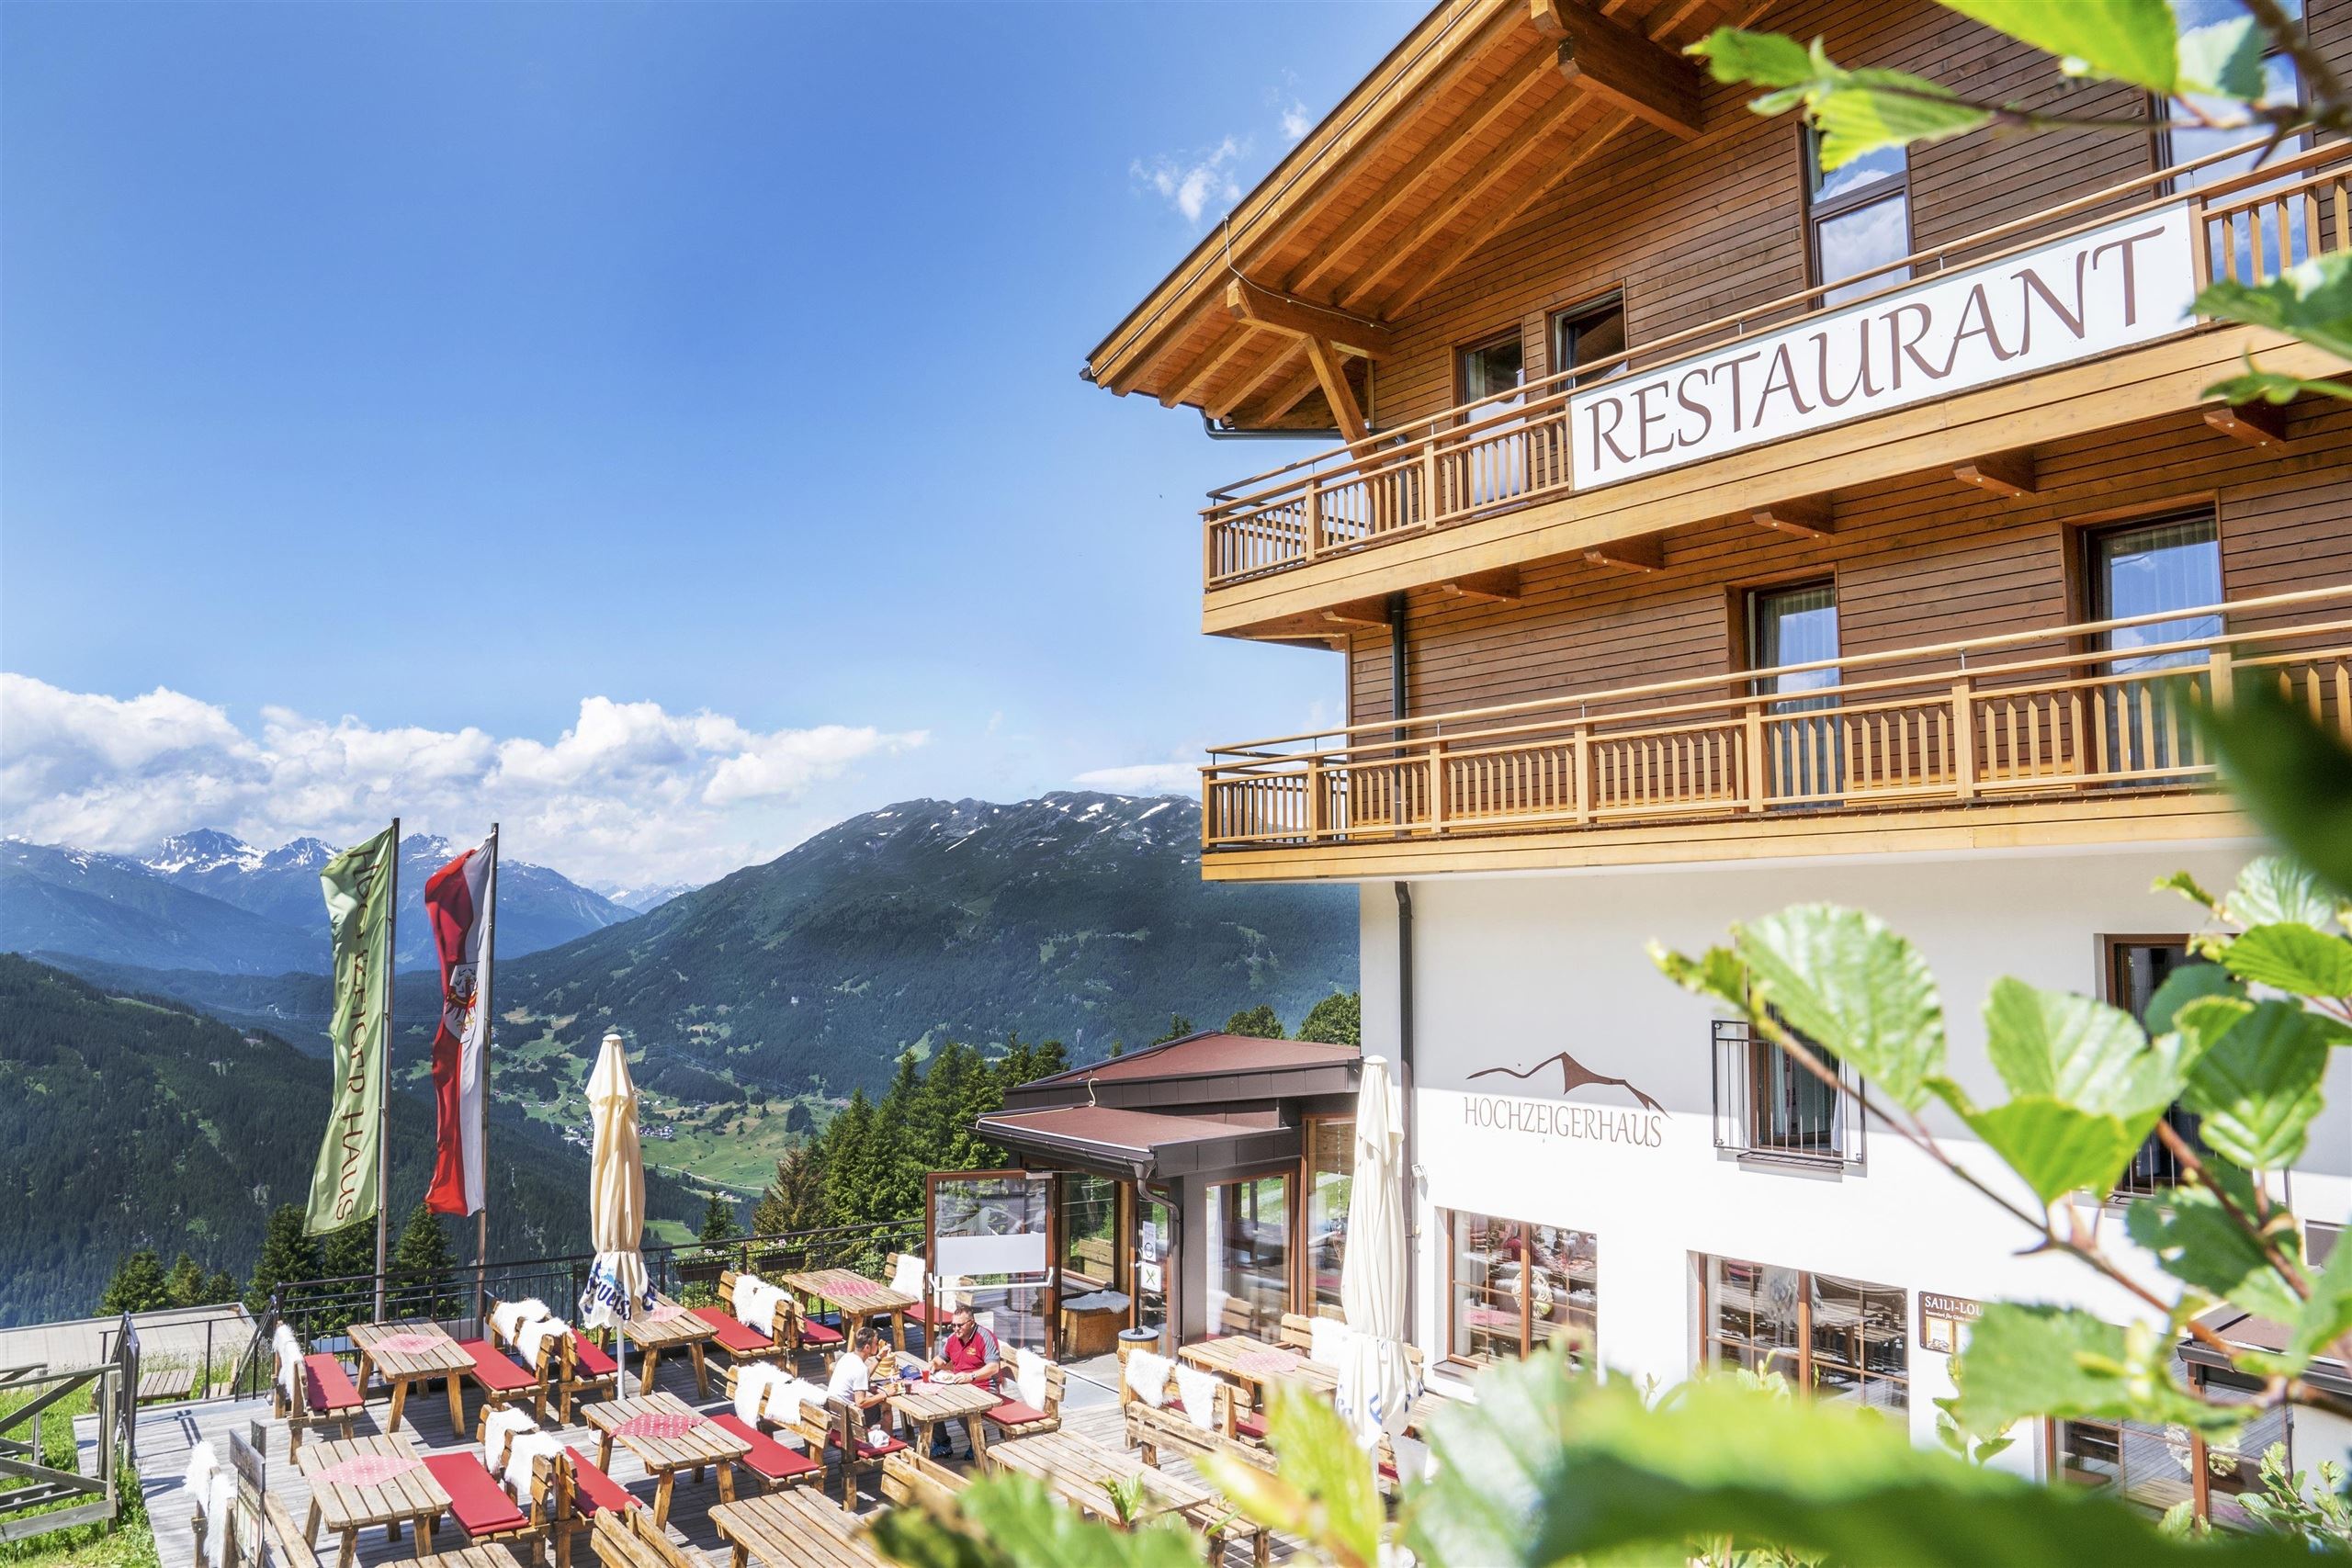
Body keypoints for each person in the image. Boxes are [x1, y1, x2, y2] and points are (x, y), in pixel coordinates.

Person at [925, 1301, 1001, 1459]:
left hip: (984, 1386)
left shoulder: (984, 1337)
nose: (956, 1329)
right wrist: (933, 1363)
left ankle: (977, 1442)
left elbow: (994, 1367)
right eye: (953, 1325)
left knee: (963, 1409)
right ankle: (943, 1444)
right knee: (929, 1399)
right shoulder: (953, 1338)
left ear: (971, 1323)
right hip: (959, 1384)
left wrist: (971, 1376)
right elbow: (942, 1358)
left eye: (960, 1325)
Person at [826, 1326, 899, 1446]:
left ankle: (883, 1435)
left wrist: (879, 1358)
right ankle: (888, 1442)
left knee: (874, 1399)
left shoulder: (847, 1357)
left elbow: (863, 1376)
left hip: (835, 1416)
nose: (878, 1345)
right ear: (867, 1347)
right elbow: (861, 1403)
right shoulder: (860, 1369)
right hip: (849, 1423)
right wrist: (885, 1394)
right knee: (885, 1407)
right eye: (876, 1343)